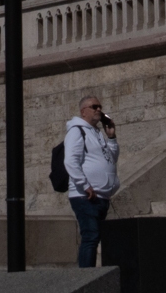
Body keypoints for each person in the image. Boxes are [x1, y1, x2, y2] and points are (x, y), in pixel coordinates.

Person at [62, 93, 118, 267]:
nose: (99, 110)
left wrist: (111, 138)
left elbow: (112, 158)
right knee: (90, 237)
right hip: (85, 196)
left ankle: (92, 278)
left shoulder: (98, 133)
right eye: (94, 107)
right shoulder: (76, 131)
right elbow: (70, 161)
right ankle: (86, 280)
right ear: (83, 111)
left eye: (100, 107)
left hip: (101, 196)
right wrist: (85, 185)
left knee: (95, 237)